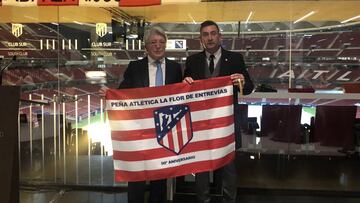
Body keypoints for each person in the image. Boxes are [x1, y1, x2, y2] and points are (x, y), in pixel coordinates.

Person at [183, 20, 254, 203]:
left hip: (227, 124)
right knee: (201, 167)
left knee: (229, 166)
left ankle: (229, 200)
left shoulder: (236, 58)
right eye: (205, 34)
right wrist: (185, 84)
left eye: (213, 33)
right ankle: (203, 200)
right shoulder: (192, 61)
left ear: (220, 36)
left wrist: (242, 81)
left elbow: (248, 88)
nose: (210, 37)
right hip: (200, 124)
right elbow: (184, 92)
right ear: (201, 39)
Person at [119, 26, 183, 203]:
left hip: (164, 131)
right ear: (146, 46)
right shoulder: (135, 67)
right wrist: (110, 95)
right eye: (153, 42)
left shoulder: (176, 68)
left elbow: (181, 98)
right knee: (137, 181)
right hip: (140, 132)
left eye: (161, 42)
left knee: (159, 181)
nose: (158, 46)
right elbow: (123, 93)